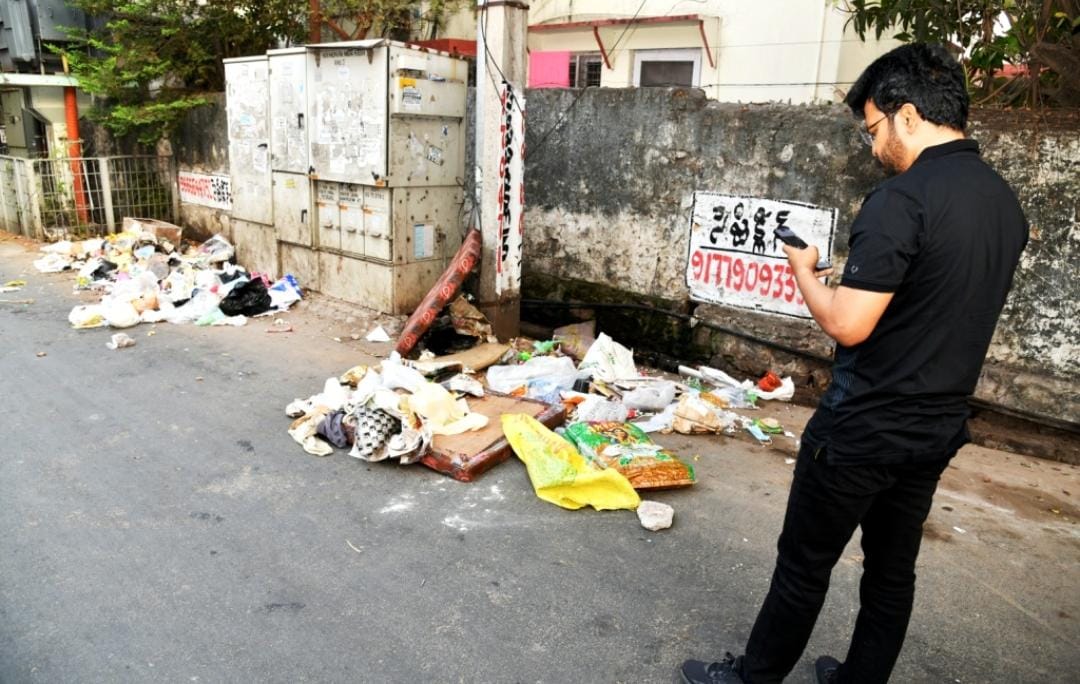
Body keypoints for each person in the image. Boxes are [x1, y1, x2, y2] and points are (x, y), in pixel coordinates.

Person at [680, 43, 1028, 684]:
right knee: (892, 571)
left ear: (907, 114)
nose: (873, 147)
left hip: (863, 427)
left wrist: (803, 272)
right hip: (935, 427)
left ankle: (751, 679)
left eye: (873, 129)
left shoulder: (901, 200)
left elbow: (847, 322)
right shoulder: (1003, 204)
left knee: (804, 564)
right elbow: (935, 299)